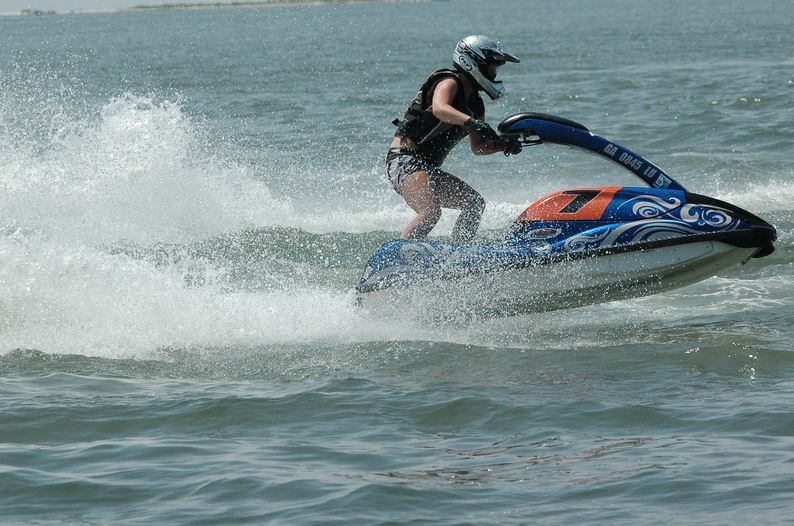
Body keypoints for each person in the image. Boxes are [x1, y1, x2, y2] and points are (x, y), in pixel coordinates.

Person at [387, 35, 521, 242]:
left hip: (427, 168)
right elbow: (440, 109)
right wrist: (472, 122)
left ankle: (459, 251)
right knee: (430, 211)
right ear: (473, 61)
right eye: (493, 67)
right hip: (404, 159)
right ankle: (401, 251)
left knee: (474, 203)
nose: (495, 73)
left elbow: (478, 147)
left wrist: (503, 145)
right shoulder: (449, 81)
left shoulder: (476, 106)